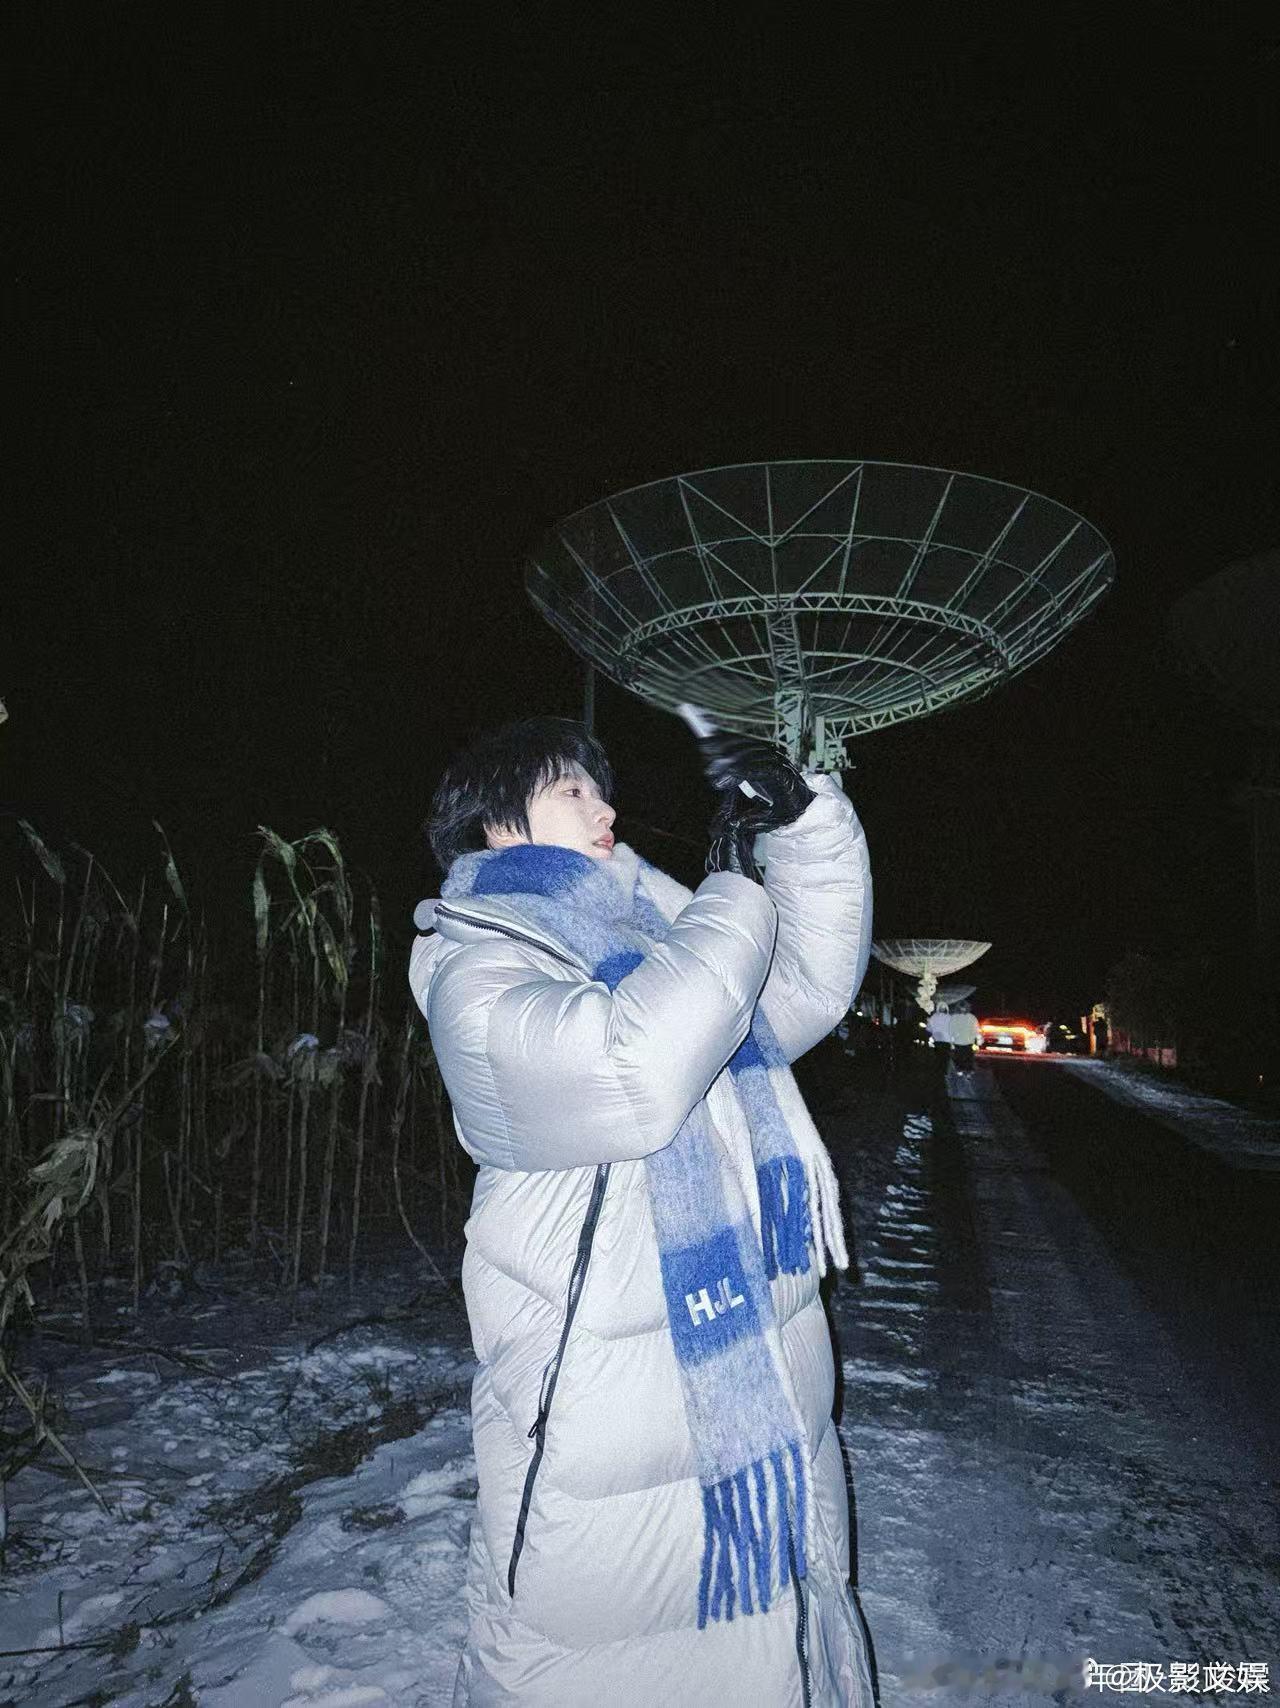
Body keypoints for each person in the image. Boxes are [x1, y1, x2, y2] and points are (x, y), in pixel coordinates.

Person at [410, 715, 876, 1708]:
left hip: (749, 1380)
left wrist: (797, 832)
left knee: (764, 1653)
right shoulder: (477, 971)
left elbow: (801, 987)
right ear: (495, 824)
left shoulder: (652, 934)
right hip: (604, 1426)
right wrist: (729, 893)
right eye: (572, 788)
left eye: (599, 787)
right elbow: (634, 1067)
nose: (605, 806)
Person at [948, 1001, 981, 1074]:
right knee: (959, 1055)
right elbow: (951, 1028)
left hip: (968, 1040)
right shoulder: (955, 1017)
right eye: (961, 1008)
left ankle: (968, 1069)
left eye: (964, 1008)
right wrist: (952, 1039)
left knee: (968, 1055)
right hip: (959, 1040)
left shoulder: (971, 1017)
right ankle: (961, 1069)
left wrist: (975, 1039)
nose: (963, 1010)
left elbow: (975, 1029)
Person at [925, 1002, 952, 1078]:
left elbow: (928, 1028)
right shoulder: (949, 1017)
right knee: (945, 1058)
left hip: (937, 1040)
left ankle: (938, 1072)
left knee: (938, 1056)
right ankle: (944, 1072)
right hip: (947, 1041)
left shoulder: (934, 1017)